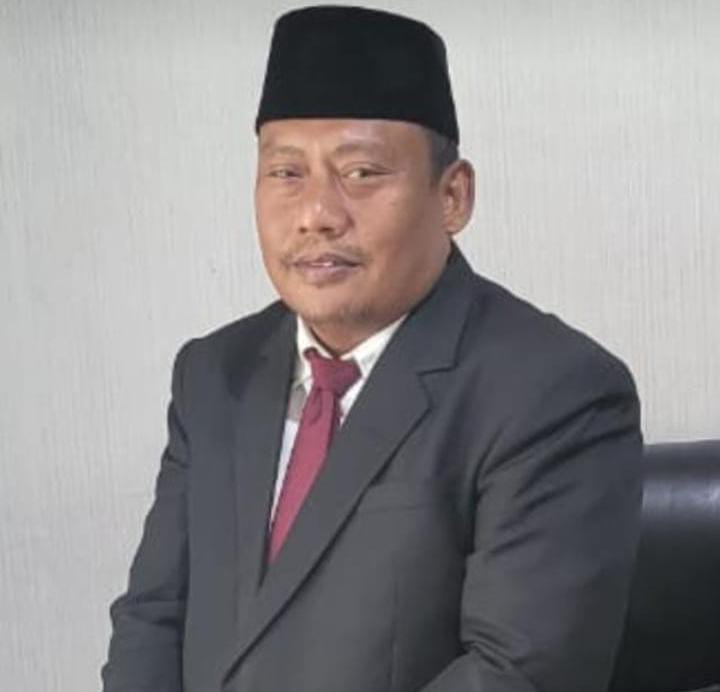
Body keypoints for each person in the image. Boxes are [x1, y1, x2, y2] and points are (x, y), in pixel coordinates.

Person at [101, 6, 643, 692]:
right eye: (286, 172)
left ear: (452, 196)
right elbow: (152, 617)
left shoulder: (554, 391)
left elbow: (518, 674)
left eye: (360, 172)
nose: (316, 214)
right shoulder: (212, 374)